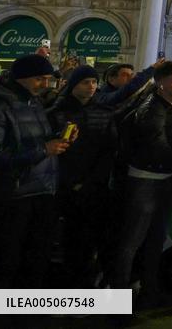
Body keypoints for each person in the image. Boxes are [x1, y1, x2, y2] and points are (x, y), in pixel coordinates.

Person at [0, 54, 69, 287]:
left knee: (34, 259)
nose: (45, 85)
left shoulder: (32, 101)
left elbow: (32, 139)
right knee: (7, 262)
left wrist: (58, 140)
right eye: (39, 79)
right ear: (21, 78)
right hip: (12, 196)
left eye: (47, 79)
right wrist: (43, 150)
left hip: (40, 191)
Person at [112, 61, 172, 308]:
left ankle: (150, 291)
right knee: (131, 242)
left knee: (155, 240)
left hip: (163, 180)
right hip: (145, 180)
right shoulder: (152, 109)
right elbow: (158, 150)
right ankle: (119, 301)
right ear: (161, 82)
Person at [46, 65, 119, 287]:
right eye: (85, 82)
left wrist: (94, 179)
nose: (91, 87)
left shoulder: (104, 112)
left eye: (94, 82)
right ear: (73, 85)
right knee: (68, 238)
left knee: (89, 239)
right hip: (63, 184)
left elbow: (110, 149)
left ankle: (84, 284)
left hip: (94, 185)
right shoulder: (56, 112)